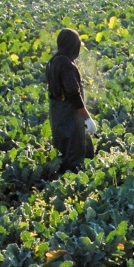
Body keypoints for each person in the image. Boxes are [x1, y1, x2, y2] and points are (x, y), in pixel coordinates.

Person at [45, 28, 95, 174]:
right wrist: (87, 118)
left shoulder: (53, 61)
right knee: (75, 152)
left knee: (63, 148)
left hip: (58, 113)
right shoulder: (66, 65)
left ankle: (62, 175)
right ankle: (74, 180)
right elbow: (73, 95)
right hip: (70, 114)